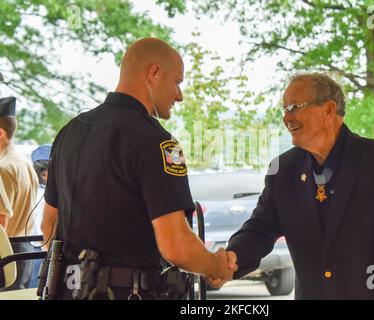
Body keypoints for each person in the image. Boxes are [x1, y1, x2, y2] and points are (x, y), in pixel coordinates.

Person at [40, 38, 236, 300]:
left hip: (65, 291)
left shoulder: (69, 132)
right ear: (154, 73)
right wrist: (215, 265)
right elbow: (176, 247)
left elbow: (49, 225)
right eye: (177, 82)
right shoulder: (158, 142)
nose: (179, 95)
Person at [214, 73, 374, 299]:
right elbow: (260, 229)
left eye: (293, 107)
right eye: (284, 109)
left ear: (329, 110)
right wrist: (232, 257)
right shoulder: (283, 170)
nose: (287, 118)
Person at [0, 96, 39, 290]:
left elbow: (1, 221)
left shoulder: (4, 166)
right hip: (24, 248)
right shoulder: (22, 161)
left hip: (6, 253)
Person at [27, 144, 52, 288]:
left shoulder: (58, 190)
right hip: (36, 247)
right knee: (35, 286)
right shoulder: (35, 190)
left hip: (49, 248)